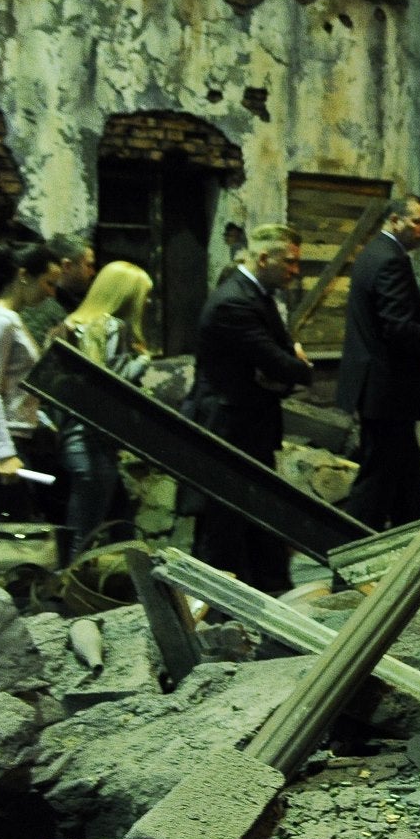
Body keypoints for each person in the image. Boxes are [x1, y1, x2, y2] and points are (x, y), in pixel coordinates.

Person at [184, 225, 313, 592]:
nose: (295, 270)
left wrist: (286, 366)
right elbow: (283, 362)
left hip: (247, 423)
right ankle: (214, 604)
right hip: (230, 425)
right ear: (262, 259)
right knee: (223, 522)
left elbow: (280, 359)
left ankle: (264, 590)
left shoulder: (256, 296)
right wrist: (297, 367)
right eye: (289, 262)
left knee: (253, 513)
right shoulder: (234, 302)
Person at [337, 195, 420, 531]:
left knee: (404, 475)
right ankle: (353, 552)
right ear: (395, 220)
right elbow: (396, 328)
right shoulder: (390, 259)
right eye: (416, 222)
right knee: (377, 479)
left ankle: (412, 543)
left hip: (384, 391)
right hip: (387, 389)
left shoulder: (374, 254)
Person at [51, 261, 152, 557]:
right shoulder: (113, 327)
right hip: (93, 443)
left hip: (73, 439)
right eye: (143, 295)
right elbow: (111, 383)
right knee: (83, 535)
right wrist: (142, 362)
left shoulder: (69, 326)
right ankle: (67, 596)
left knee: (121, 526)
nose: (146, 303)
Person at [0, 241, 61, 520]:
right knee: (14, 537)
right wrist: (3, 453)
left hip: (0, 435)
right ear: (24, 275)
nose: (50, 293)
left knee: (16, 530)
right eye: (48, 283)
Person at [20, 234, 96, 347]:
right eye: (88, 265)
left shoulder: (65, 301)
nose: (92, 272)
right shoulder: (43, 305)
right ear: (67, 266)